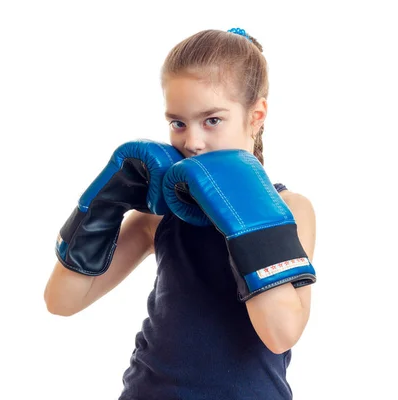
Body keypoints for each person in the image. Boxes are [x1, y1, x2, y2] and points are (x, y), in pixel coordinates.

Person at [44, 27, 317, 400]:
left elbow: (281, 332)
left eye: (212, 120)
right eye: (178, 123)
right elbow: (62, 301)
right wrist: (106, 205)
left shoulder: (291, 209)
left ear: (256, 116)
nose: (192, 141)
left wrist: (246, 214)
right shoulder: (164, 213)